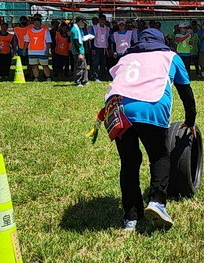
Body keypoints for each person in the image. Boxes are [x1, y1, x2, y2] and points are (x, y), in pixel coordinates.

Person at [94, 27, 197, 231]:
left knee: (129, 162)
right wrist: (190, 121)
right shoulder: (170, 56)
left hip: (119, 110)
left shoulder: (125, 57)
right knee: (159, 156)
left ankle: (131, 217)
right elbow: (186, 93)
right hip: (151, 106)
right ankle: (157, 201)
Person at [24, 18, 53, 82]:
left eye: (38, 23)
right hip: (31, 51)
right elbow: (26, 41)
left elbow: (48, 42)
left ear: (41, 23)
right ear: (33, 24)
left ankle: (48, 77)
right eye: (35, 23)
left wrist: (47, 50)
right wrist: (24, 49)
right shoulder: (29, 31)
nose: (37, 24)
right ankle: (36, 77)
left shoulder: (45, 31)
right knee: (34, 65)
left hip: (42, 51)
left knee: (44, 65)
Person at [90, 15, 111, 81]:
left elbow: (108, 38)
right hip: (96, 47)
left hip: (104, 48)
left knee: (103, 63)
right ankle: (95, 76)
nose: (102, 21)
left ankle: (102, 76)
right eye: (101, 19)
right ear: (99, 20)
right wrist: (92, 48)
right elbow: (92, 38)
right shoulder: (95, 27)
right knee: (95, 62)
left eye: (104, 19)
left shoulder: (107, 28)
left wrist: (108, 48)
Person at [70, 18, 88, 86]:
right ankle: (78, 81)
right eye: (83, 23)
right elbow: (76, 42)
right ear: (80, 21)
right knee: (79, 67)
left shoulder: (79, 29)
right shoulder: (74, 30)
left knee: (84, 66)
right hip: (78, 51)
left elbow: (81, 38)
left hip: (81, 50)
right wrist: (80, 53)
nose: (84, 24)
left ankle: (84, 80)